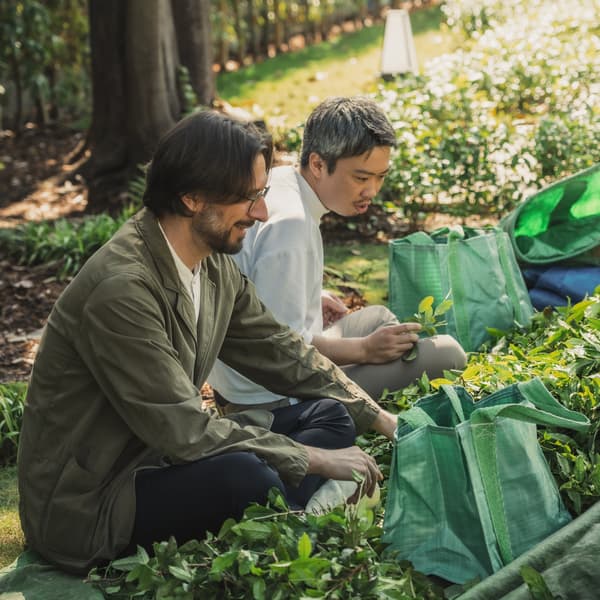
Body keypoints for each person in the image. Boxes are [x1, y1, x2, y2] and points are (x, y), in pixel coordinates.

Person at [17, 110, 398, 575]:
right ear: (192, 198)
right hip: (94, 501)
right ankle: (295, 509)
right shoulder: (122, 290)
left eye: (260, 195)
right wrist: (313, 459)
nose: (260, 213)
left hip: (158, 458)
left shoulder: (212, 262)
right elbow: (185, 432)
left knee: (328, 414)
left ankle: (288, 506)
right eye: (247, 199)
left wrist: (380, 418)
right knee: (245, 476)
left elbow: (279, 348)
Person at [209, 96, 467, 411]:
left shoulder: (279, 181)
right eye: (361, 177)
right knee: (448, 354)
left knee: (380, 318)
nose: (371, 191)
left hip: (253, 377)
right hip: (272, 399)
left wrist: (311, 296)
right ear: (318, 164)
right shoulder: (292, 226)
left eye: (380, 177)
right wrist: (365, 351)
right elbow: (286, 350)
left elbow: (260, 295)